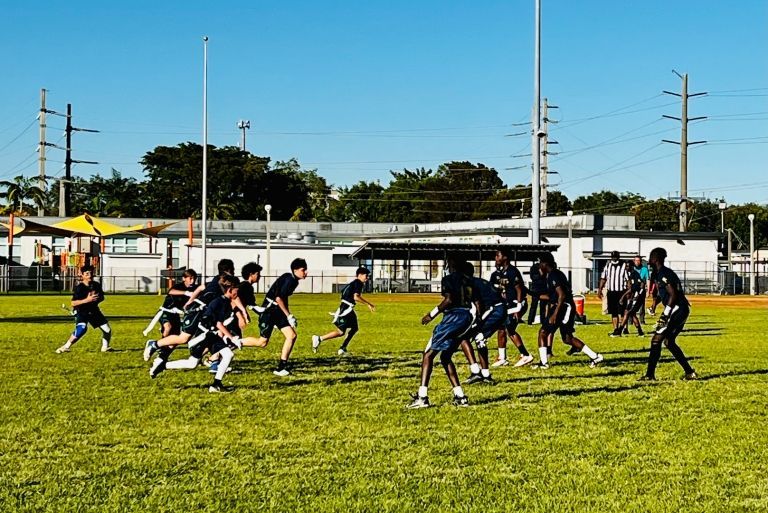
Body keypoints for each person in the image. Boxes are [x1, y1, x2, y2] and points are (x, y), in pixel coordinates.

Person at [150, 280, 243, 392]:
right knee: (193, 363)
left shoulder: (225, 302)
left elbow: (218, 322)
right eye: (236, 291)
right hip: (203, 336)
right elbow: (218, 323)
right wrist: (232, 337)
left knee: (226, 355)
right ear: (229, 290)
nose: (238, 293)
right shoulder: (219, 302)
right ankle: (163, 366)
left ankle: (216, 385)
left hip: (210, 335)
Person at [407, 256, 474, 409]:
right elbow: (477, 302)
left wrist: (431, 314)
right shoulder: (468, 280)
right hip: (466, 317)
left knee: (428, 355)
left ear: (452, 264)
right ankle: (460, 396)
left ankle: (422, 398)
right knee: (445, 357)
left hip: (453, 318)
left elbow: (449, 300)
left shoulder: (449, 279)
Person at [242, 258, 308, 377]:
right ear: (295, 270)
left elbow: (282, 298)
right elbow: (278, 298)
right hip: (269, 312)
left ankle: (281, 367)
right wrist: (289, 315)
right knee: (262, 342)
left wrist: (287, 314)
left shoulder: (292, 279)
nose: (306, 272)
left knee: (292, 336)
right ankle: (233, 342)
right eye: (303, 270)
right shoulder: (290, 280)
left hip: (277, 312)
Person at [536, 253, 603, 369]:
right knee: (567, 338)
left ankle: (544, 363)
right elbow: (553, 296)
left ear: (545, 264)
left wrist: (555, 314)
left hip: (564, 307)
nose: (539, 266)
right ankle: (595, 357)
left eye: (540, 263)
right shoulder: (553, 275)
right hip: (563, 306)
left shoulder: (554, 275)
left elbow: (561, 295)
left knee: (543, 332)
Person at [639, 247, 697, 381]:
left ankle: (649, 375)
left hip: (678, 309)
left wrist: (665, 315)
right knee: (668, 341)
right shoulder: (658, 273)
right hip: (679, 309)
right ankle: (689, 372)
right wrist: (654, 305)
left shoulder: (664, 273)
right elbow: (664, 294)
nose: (649, 260)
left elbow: (673, 295)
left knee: (656, 340)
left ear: (656, 259)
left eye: (651, 257)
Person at [312, 267, 375, 356]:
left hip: (346, 308)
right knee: (341, 331)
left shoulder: (353, 283)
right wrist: (368, 304)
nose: (367, 278)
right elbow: (356, 297)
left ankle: (342, 347)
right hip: (346, 309)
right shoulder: (358, 283)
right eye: (366, 275)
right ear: (360, 275)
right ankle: (321, 339)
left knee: (354, 328)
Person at [460, 262, 503, 386]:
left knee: (463, 336)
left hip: (493, 310)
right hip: (497, 309)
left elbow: (480, 304)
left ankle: (476, 372)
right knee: (479, 338)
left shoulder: (470, 283)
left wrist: (477, 319)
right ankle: (485, 374)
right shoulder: (478, 281)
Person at [56, 265, 113, 353]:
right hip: (82, 311)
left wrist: (97, 299)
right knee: (82, 328)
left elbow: (102, 297)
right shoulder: (80, 288)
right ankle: (66, 346)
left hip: (94, 311)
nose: (90, 275)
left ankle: (105, 347)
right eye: (87, 273)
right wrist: (87, 300)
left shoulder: (96, 285)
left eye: (91, 273)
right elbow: (73, 303)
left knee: (107, 330)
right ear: (82, 275)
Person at [492, 249, 534, 367]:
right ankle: (502, 357)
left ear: (505, 257)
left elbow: (519, 289)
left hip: (516, 304)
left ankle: (525, 355)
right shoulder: (499, 273)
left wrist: (519, 307)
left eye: (497, 255)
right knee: (501, 329)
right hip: (507, 305)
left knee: (509, 328)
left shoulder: (512, 271)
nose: (496, 258)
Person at [142, 269, 198, 340]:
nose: (192, 281)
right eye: (190, 278)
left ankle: (164, 349)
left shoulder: (195, 288)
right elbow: (171, 291)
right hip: (166, 311)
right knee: (168, 327)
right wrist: (186, 292)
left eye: (194, 279)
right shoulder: (179, 286)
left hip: (176, 314)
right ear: (184, 278)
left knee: (176, 335)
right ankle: (160, 345)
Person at [597, 251, 629, 334]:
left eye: (616, 257)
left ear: (618, 257)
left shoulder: (624, 265)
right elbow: (603, 278)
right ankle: (615, 329)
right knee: (613, 312)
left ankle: (624, 328)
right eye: (613, 257)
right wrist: (600, 289)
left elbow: (628, 280)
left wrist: (629, 292)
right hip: (611, 291)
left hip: (621, 291)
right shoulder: (608, 265)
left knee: (622, 311)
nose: (614, 258)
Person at [611, 261, 645, 337]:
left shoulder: (634, 274)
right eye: (625, 266)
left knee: (627, 312)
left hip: (637, 296)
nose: (626, 268)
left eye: (627, 266)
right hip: (635, 296)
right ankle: (640, 332)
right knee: (632, 313)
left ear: (632, 266)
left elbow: (636, 286)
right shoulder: (630, 274)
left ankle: (619, 331)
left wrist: (623, 297)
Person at [527, 259, 547, 325]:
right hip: (536, 289)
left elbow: (546, 276)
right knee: (533, 306)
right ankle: (530, 321)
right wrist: (540, 274)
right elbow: (532, 277)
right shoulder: (534, 267)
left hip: (543, 289)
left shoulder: (545, 267)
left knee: (543, 306)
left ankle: (543, 320)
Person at [632, 255, 650, 324]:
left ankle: (642, 320)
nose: (637, 262)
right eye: (635, 260)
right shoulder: (632, 269)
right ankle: (630, 320)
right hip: (633, 289)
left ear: (641, 261)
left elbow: (648, 280)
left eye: (638, 260)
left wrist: (648, 290)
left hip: (641, 289)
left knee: (641, 305)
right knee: (631, 304)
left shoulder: (645, 269)